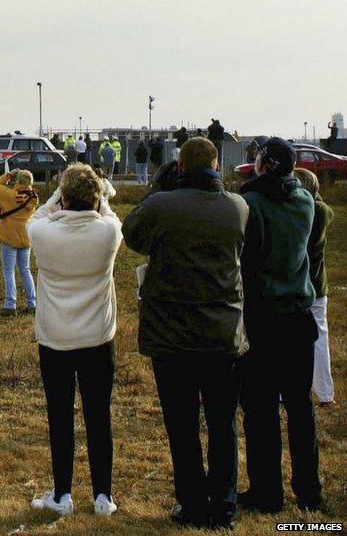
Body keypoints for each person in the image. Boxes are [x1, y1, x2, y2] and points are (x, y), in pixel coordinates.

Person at [123, 137, 248, 528]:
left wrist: (157, 191)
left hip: (172, 333)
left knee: (182, 424)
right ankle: (224, 503)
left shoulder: (162, 206)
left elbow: (134, 236)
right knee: (223, 423)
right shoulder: (237, 207)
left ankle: (191, 501)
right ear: (216, 164)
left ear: (180, 168)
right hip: (222, 331)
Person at [25, 163, 123, 518]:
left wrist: (56, 196)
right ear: (96, 198)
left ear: (64, 197)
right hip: (97, 336)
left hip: (56, 338)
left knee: (60, 416)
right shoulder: (107, 233)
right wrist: (103, 197)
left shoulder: (44, 233)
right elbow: (109, 215)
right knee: (99, 416)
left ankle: (63, 493)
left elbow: (38, 215)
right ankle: (103, 495)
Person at [238, 137, 321, 513]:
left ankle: (267, 492)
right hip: (299, 317)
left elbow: (249, 255)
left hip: (264, 316)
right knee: (300, 409)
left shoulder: (252, 204)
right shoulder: (304, 201)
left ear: (266, 164)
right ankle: (309, 491)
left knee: (261, 409)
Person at [293, 168, 335, 407]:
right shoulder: (324, 211)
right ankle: (325, 392)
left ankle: (282, 389)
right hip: (318, 285)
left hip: (301, 284)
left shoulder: (305, 211)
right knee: (320, 338)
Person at [0, 169, 39, 315]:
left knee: (8, 271)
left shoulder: (10, 195)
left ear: (17, 181)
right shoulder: (34, 198)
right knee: (25, 269)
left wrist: (9, 175)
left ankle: (10, 304)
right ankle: (32, 303)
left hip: (9, 236)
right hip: (25, 236)